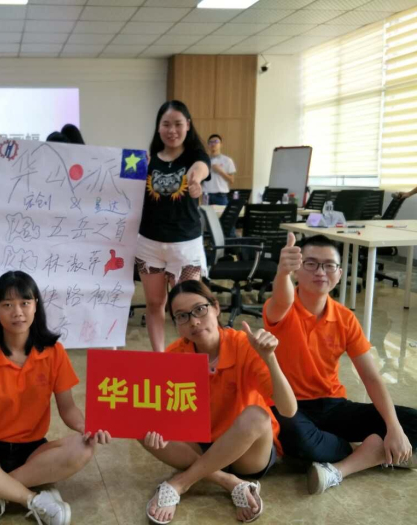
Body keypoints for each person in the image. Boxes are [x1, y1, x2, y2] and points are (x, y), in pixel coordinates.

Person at [0, 271, 111, 525]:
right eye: (7, 305)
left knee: (85, 446)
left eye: (24, 303)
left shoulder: (54, 353)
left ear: (35, 305)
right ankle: (31, 498)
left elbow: (68, 408)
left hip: (32, 451)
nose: (17, 312)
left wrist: (87, 427)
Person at [263, 233, 417, 495]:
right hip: (289, 408)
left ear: (339, 273)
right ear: (297, 270)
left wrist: (394, 428)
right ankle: (365, 453)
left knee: (410, 422)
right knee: (298, 440)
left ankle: (343, 464)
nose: (320, 271)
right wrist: (282, 274)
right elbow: (281, 298)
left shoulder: (345, 318)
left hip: (332, 406)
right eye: (311, 263)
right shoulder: (283, 308)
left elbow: (371, 377)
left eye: (329, 265)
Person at [144, 280, 297, 524]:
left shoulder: (244, 345)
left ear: (216, 307)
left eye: (200, 309)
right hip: (202, 446)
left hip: (246, 452)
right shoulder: (175, 355)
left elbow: (289, 410)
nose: (194, 321)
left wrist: (270, 358)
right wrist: (158, 429)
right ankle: (229, 482)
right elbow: (164, 410)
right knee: (141, 424)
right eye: (182, 316)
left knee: (257, 416)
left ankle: (181, 483)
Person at [137, 100, 211, 353]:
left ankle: (189, 355)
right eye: (166, 124)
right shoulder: (146, 162)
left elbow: (201, 168)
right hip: (149, 245)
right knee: (154, 303)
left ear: (188, 125)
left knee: (190, 306)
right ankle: (160, 357)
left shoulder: (195, 157)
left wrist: (195, 179)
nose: (172, 130)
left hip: (185, 246)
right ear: (158, 127)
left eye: (178, 124)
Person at [204, 134, 236, 206]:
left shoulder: (227, 160)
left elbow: (231, 180)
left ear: (221, 144)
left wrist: (220, 171)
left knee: (222, 213)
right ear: (208, 145)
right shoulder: (204, 160)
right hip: (206, 195)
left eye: (216, 141)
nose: (213, 144)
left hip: (220, 195)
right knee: (205, 213)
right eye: (210, 142)